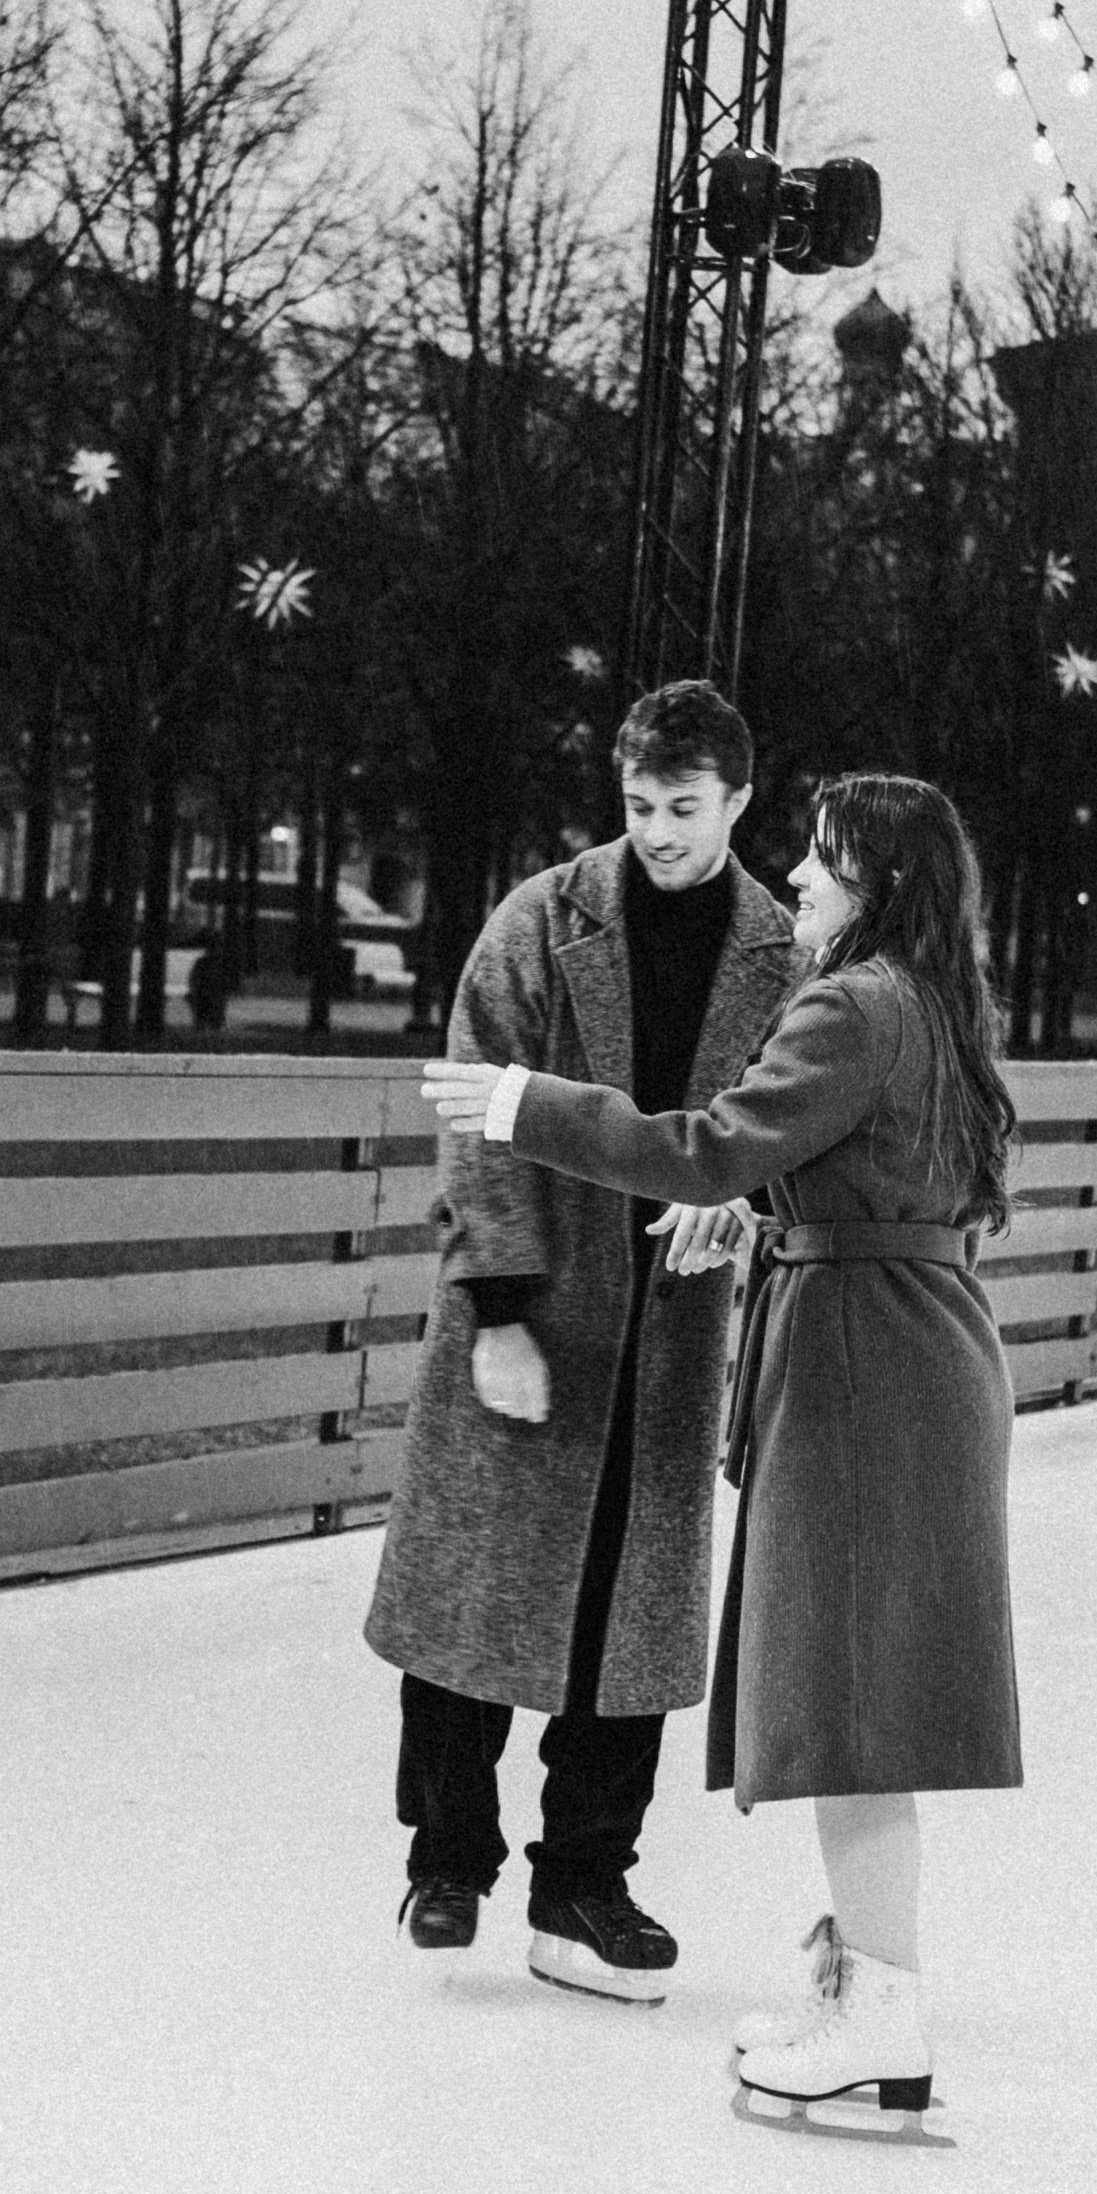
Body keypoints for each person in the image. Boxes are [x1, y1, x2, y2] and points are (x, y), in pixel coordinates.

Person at [423, 772, 1023, 2119]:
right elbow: (875, 1175)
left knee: (851, 1713)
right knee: (855, 1704)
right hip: (905, 1345)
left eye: (824, 863)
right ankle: (867, 1987)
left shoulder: (854, 1003)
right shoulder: (926, 1006)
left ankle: (883, 2009)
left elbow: (703, 1144)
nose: (797, 881)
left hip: (867, 1371)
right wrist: (767, 1213)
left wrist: (530, 1104)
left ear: (882, 887)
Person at [364, 682, 795, 1999]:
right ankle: (447, 1860)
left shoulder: (781, 955)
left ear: (736, 802)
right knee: (475, 1592)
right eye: (638, 806)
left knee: (630, 1608)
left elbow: (787, 1126)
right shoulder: (541, 922)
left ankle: (588, 1882)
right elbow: (471, 1110)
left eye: (683, 808)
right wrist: (494, 1305)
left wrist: (750, 1210)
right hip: (536, 1302)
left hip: (667, 1328)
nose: (658, 832)